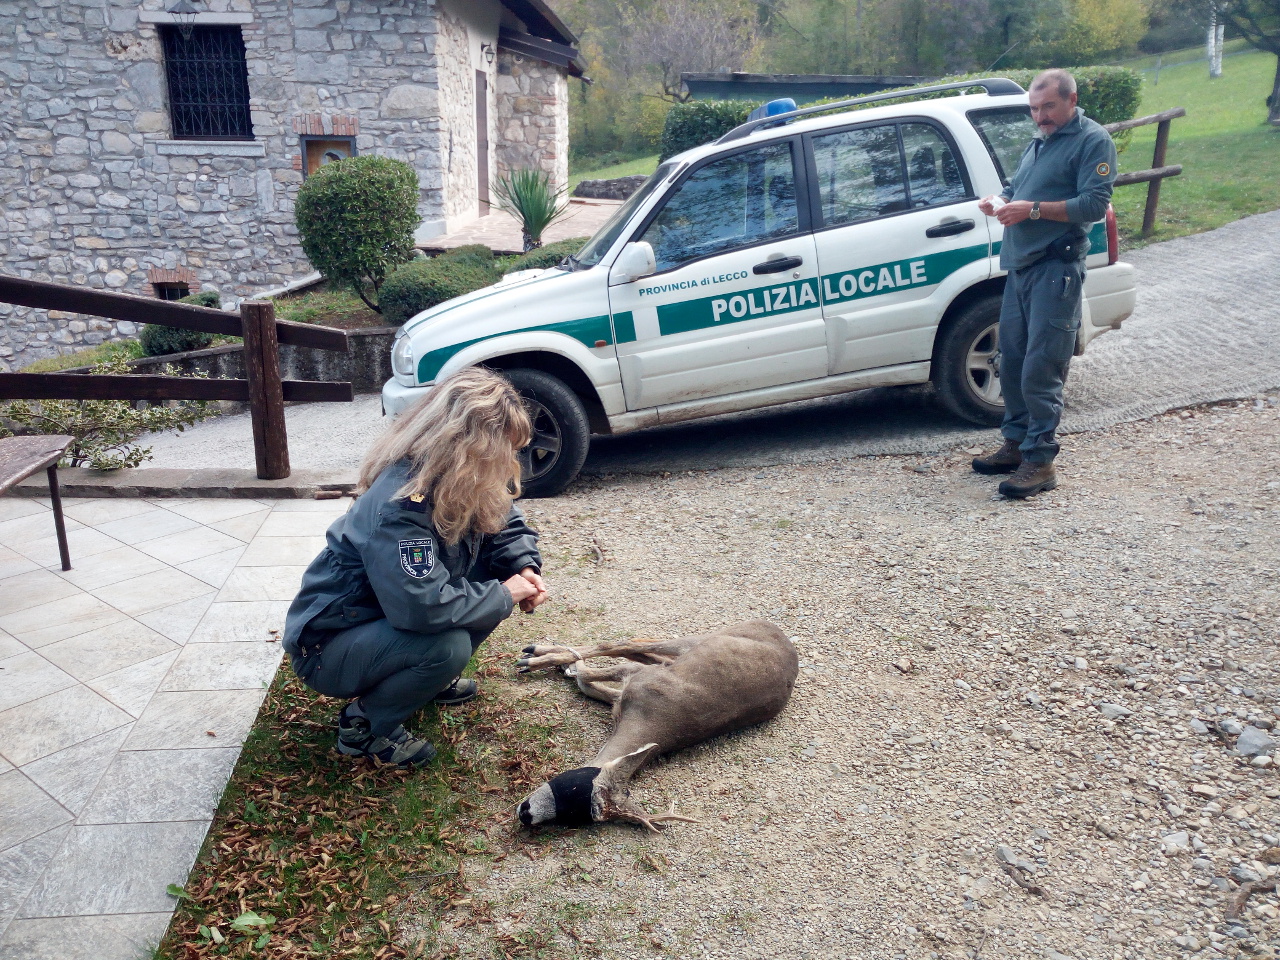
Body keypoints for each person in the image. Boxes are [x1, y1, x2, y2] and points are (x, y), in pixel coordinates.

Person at [282, 368, 548, 767]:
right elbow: (423, 607)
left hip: (378, 621)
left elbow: (505, 518)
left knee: (497, 583)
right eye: (504, 449)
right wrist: (506, 593)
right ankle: (364, 729)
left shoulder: (459, 476)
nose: (510, 460)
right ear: (468, 445)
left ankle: (426, 681)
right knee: (447, 642)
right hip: (328, 646)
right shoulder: (401, 506)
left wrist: (523, 566)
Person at [972, 68, 1117, 498]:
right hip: (1022, 267)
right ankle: (1016, 444)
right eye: (1035, 109)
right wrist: (1000, 200)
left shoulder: (1093, 140)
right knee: (1011, 360)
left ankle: (1040, 463)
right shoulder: (1040, 142)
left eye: (1048, 107)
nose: (1041, 116)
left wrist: (1031, 210)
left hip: (1057, 268)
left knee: (1042, 366)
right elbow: (1019, 187)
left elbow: (1093, 203)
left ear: (1071, 100)